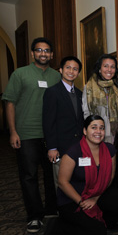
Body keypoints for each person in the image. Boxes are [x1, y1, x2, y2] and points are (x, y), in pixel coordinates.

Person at [2, 37, 59, 233]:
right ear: (33, 53)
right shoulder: (20, 74)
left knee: (53, 175)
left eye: (47, 51)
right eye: (39, 50)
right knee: (29, 176)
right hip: (26, 134)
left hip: (51, 135)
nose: (43, 54)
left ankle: (52, 209)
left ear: (51, 54)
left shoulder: (56, 76)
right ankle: (34, 216)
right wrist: (13, 131)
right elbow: (9, 103)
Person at [57, 115, 118, 234]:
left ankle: (106, 220)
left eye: (101, 128)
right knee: (98, 230)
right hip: (73, 199)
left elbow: (110, 177)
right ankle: (64, 224)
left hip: (96, 193)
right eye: (94, 127)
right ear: (85, 131)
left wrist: (95, 198)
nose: (98, 131)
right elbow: (62, 182)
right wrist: (81, 202)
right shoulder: (73, 152)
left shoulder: (110, 150)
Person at [43, 56, 84, 190]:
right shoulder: (52, 92)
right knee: (61, 183)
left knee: (78, 180)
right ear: (60, 70)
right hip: (60, 148)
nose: (71, 71)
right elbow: (48, 122)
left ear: (78, 73)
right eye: (68, 67)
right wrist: (52, 147)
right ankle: (63, 210)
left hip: (78, 147)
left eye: (75, 69)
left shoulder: (80, 94)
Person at [82, 54, 118, 143]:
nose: (109, 70)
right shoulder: (89, 87)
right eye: (105, 66)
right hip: (99, 134)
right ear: (99, 69)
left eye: (112, 67)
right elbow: (86, 112)